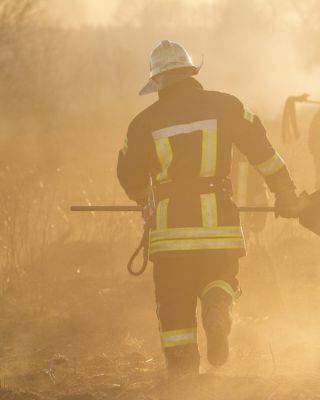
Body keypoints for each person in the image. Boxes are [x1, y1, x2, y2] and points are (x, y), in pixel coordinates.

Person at [117, 40, 300, 378]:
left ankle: (183, 374)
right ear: (191, 72)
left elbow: (128, 174)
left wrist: (147, 199)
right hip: (220, 226)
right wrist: (285, 192)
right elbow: (263, 152)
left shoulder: (144, 122)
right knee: (220, 279)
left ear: (157, 81)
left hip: (171, 234)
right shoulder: (227, 106)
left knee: (174, 304)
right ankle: (217, 306)